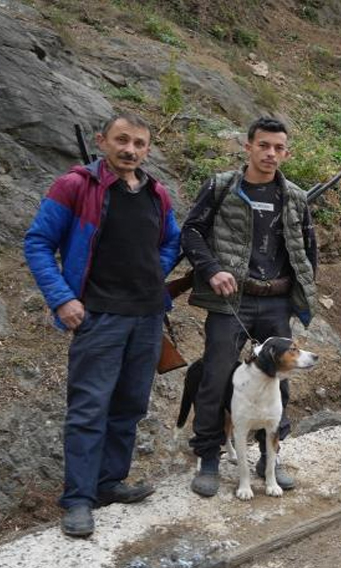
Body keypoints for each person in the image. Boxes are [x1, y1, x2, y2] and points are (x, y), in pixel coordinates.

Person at [24, 114, 181, 537]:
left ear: (148, 149)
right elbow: (37, 242)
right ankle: (78, 500)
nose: (130, 150)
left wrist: (155, 273)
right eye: (122, 140)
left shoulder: (156, 193)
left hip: (148, 317)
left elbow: (171, 241)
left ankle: (110, 483)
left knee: (129, 406)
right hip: (99, 316)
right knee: (89, 409)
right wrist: (62, 298)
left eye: (140, 144)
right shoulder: (74, 186)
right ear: (102, 141)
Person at [182, 117, 318, 496]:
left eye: (278, 148)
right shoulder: (221, 186)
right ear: (248, 146)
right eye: (263, 145)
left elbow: (308, 251)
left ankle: (268, 457)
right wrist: (211, 270)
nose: (271, 154)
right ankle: (208, 456)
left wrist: (299, 296)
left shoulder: (295, 196)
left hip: (275, 301)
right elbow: (191, 232)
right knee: (215, 377)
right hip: (230, 300)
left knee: (281, 381)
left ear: (286, 152)